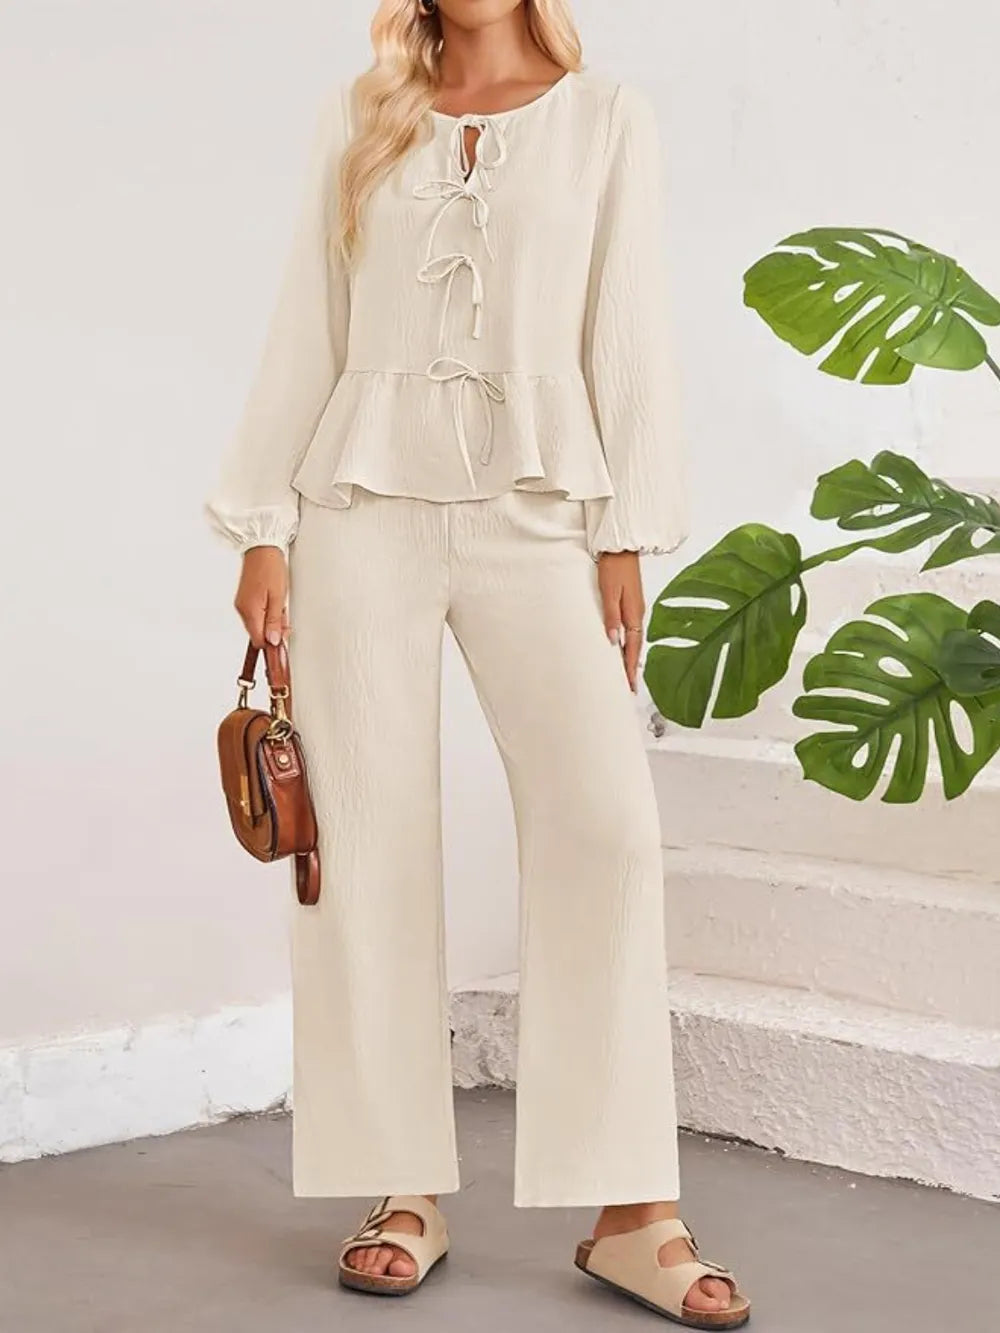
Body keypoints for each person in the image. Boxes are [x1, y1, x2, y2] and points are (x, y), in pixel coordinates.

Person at [206, 1, 750, 1326]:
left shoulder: (607, 118)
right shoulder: (365, 108)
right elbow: (308, 315)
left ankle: (633, 1207)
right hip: (357, 504)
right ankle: (400, 1183)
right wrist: (265, 525)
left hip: (540, 501)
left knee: (605, 830)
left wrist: (628, 530)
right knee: (369, 840)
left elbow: (630, 327)